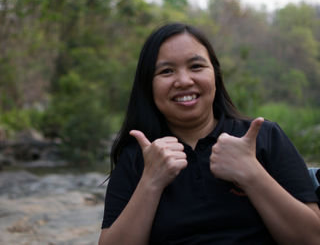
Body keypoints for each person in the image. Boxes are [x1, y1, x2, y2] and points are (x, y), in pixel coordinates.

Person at [99, 22, 320, 245]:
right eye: (166, 71)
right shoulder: (139, 157)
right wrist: (151, 182)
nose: (184, 81)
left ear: (215, 74)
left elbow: (312, 239)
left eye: (196, 67)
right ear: (148, 85)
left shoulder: (265, 138)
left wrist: (251, 174)